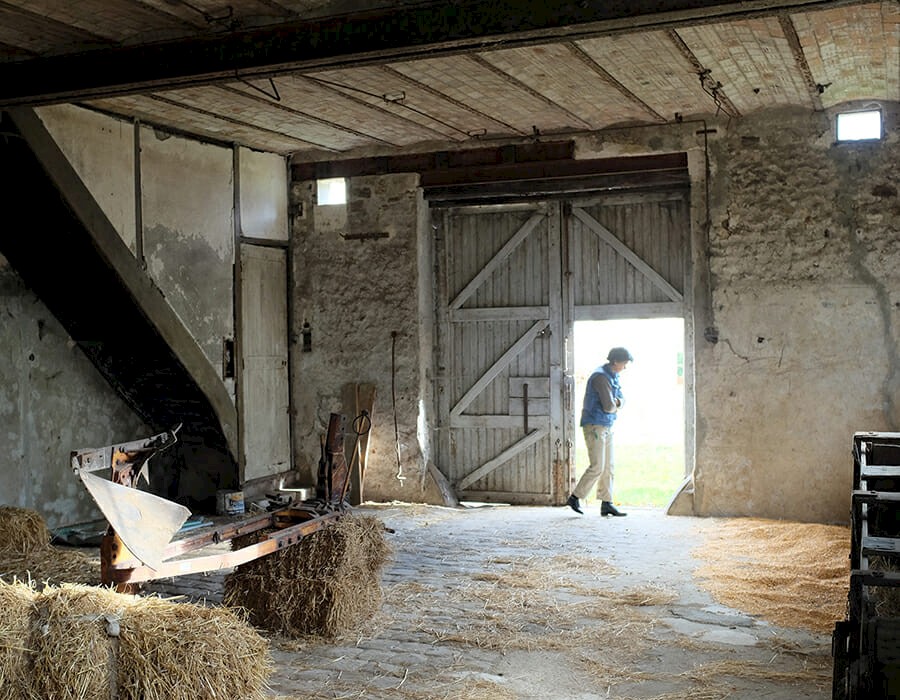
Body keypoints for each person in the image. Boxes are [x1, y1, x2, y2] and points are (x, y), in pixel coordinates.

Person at [567, 346, 633, 516]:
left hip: (606, 424)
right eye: (624, 363)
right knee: (597, 466)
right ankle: (575, 497)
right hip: (595, 425)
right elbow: (610, 405)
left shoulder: (612, 375)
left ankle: (606, 502)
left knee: (608, 466)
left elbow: (621, 400)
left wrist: (617, 402)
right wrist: (618, 403)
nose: (624, 367)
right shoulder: (601, 378)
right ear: (616, 361)